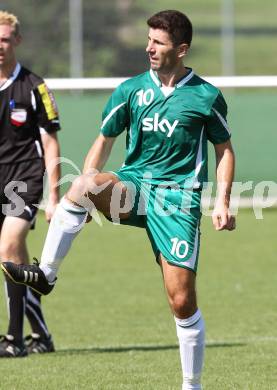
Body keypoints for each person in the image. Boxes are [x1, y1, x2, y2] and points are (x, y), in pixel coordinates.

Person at [1, 9, 235, 389]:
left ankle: (192, 385)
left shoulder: (206, 96)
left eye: (158, 42)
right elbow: (104, 141)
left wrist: (222, 202)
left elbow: (224, 150)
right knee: (81, 186)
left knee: (181, 302)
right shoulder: (131, 90)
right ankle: (46, 273)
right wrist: (87, 194)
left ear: (182, 49)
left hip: (177, 201)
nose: (149, 48)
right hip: (135, 186)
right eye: (148, 40)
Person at [0, 11, 61, 357]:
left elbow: (50, 140)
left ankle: (13, 340)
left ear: (17, 41)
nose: (0, 46)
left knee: (8, 246)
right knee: (16, 261)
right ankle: (40, 333)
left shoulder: (34, 86)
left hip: (23, 178)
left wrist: (54, 196)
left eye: (6, 39)